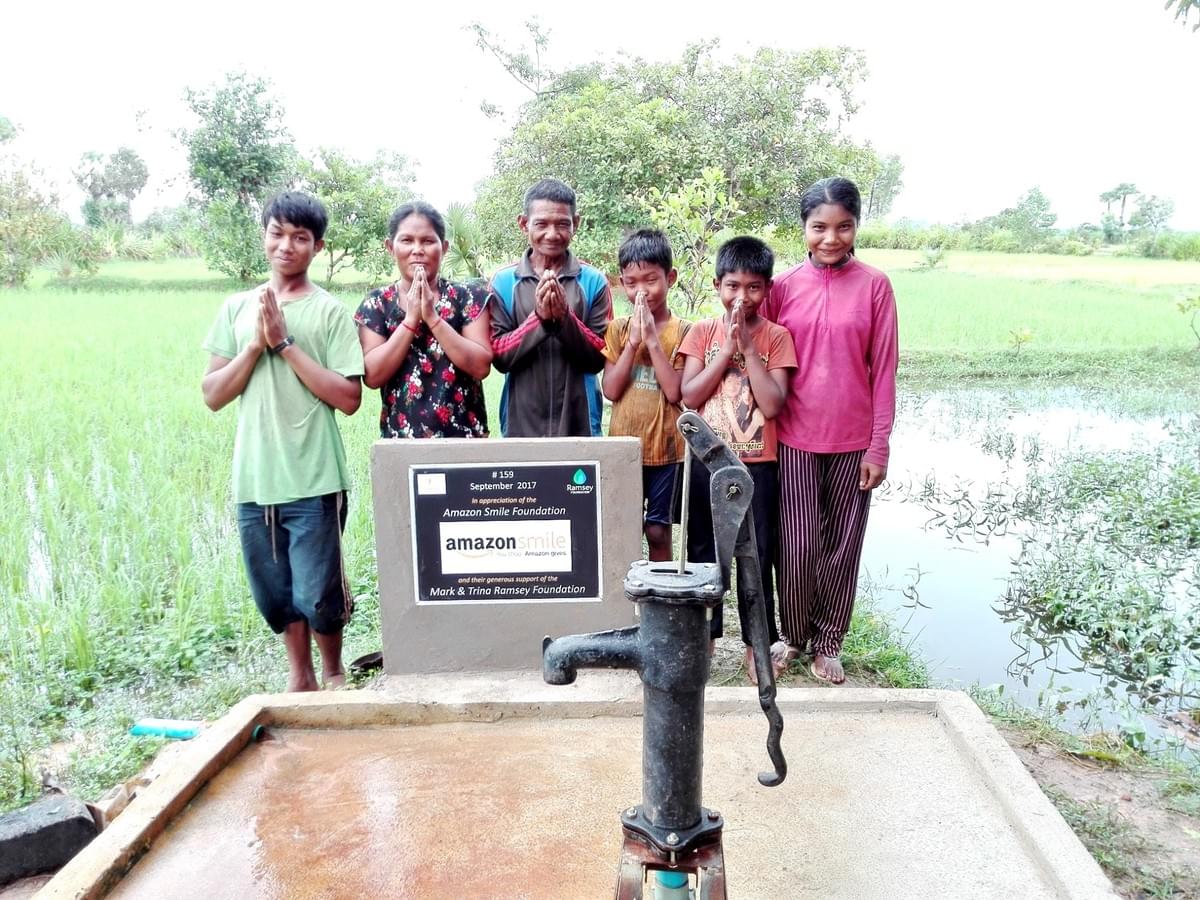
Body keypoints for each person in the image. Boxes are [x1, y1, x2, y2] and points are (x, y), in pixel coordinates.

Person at [201, 192, 364, 692]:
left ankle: (334, 675)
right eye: (278, 233)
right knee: (276, 592)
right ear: (264, 236)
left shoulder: (330, 312)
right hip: (255, 479)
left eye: (300, 237)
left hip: (314, 476)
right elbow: (213, 394)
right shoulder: (235, 308)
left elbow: (349, 397)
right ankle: (301, 679)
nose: (286, 245)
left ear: (317, 247)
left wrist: (285, 345)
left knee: (320, 593)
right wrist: (255, 343)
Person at [761, 176, 899, 684]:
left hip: (853, 441)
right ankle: (793, 636)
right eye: (819, 227)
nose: (831, 238)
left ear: (856, 226)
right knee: (797, 542)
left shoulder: (875, 286)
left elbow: (884, 370)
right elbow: (762, 356)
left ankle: (828, 641)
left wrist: (878, 445)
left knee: (843, 543)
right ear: (804, 229)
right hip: (794, 437)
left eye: (843, 227)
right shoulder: (782, 289)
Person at [679, 236, 796, 682]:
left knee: (757, 555)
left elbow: (773, 406)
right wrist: (726, 350)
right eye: (732, 286)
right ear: (716, 286)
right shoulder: (701, 333)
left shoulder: (777, 338)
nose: (741, 297)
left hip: (759, 466)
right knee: (705, 554)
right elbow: (688, 396)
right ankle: (705, 640)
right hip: (707, 466)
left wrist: (748, 349)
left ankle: (756, 646)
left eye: (753, 288)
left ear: (767, 289)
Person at [355, 202, 493, 438]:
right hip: (400, 440)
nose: (417, 249)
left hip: (465, 438)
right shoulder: (377, 303)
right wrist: (410, 320)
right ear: (390, 247)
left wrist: (432, 317)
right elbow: (373, 376)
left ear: (444, 247)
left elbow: (481, 366)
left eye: (428, 241)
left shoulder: (468, 297)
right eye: (407, 240)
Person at [490, 178, 611, 437]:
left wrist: (566, 319)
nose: (552, 234)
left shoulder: (593, 281)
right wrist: (540, 320)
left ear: (575, 224)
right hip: (521, 423)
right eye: (541, 224)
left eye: (562, 224)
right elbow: (499, 356)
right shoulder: (503, 282)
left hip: (580, 422)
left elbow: (601, 355)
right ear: (524, 224)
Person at [601, 229, 692, 562]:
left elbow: (674, 392)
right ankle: (625, 602)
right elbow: (611, 390)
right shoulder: (618, 329)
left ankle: (661, 600)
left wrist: (652, 341)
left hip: (666, 450)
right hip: (623, 448)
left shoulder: (683, 331)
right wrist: (633, 343)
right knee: (623, 527)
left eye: (650, 280)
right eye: (630, 282)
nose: (641, 291)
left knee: (657, 530)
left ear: (670, 278)